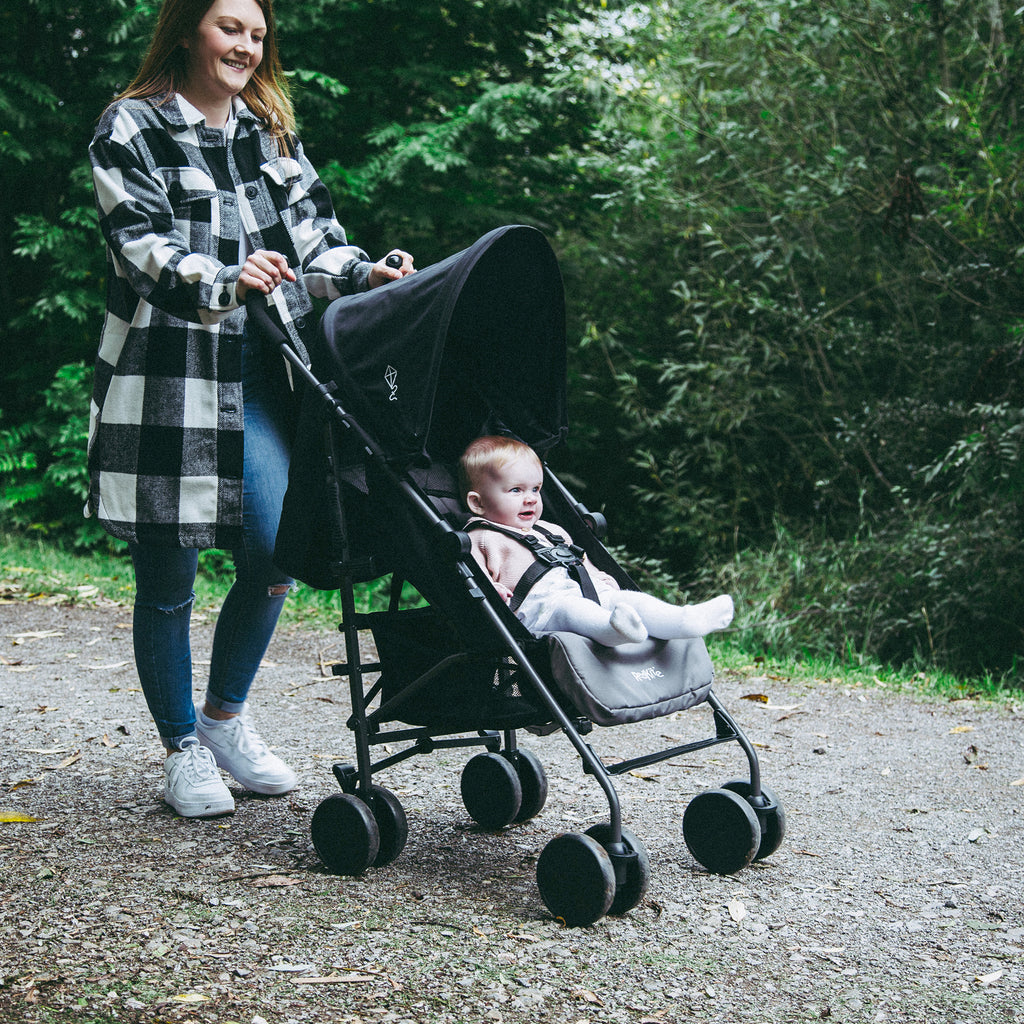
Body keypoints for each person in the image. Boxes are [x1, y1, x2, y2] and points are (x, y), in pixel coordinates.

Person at [87, 0, 415, 818]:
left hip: (263, 376)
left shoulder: (269, 133)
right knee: (170, 570)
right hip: (168, 378)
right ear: (187, 29)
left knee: (277, 551)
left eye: (257, 34)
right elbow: (140, 249)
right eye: (230, 27)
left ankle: (224, 718)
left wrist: (365, 273)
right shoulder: (130, 127)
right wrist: (225, 278)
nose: (246, 46)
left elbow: (315, 240)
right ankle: (181, 749)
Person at [459, 436, 735, 646]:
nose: (531, 498)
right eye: (516, 490)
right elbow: (474, 577)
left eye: (536, 489)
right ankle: (614, 631)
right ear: (477, 503)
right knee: (573, 610)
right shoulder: (480, 537)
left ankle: (684, 620)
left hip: (585, 591)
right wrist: (493, 590)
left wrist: (602, 581)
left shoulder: (550, 530)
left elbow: (579, 562)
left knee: (628, 599)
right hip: (542, 610)